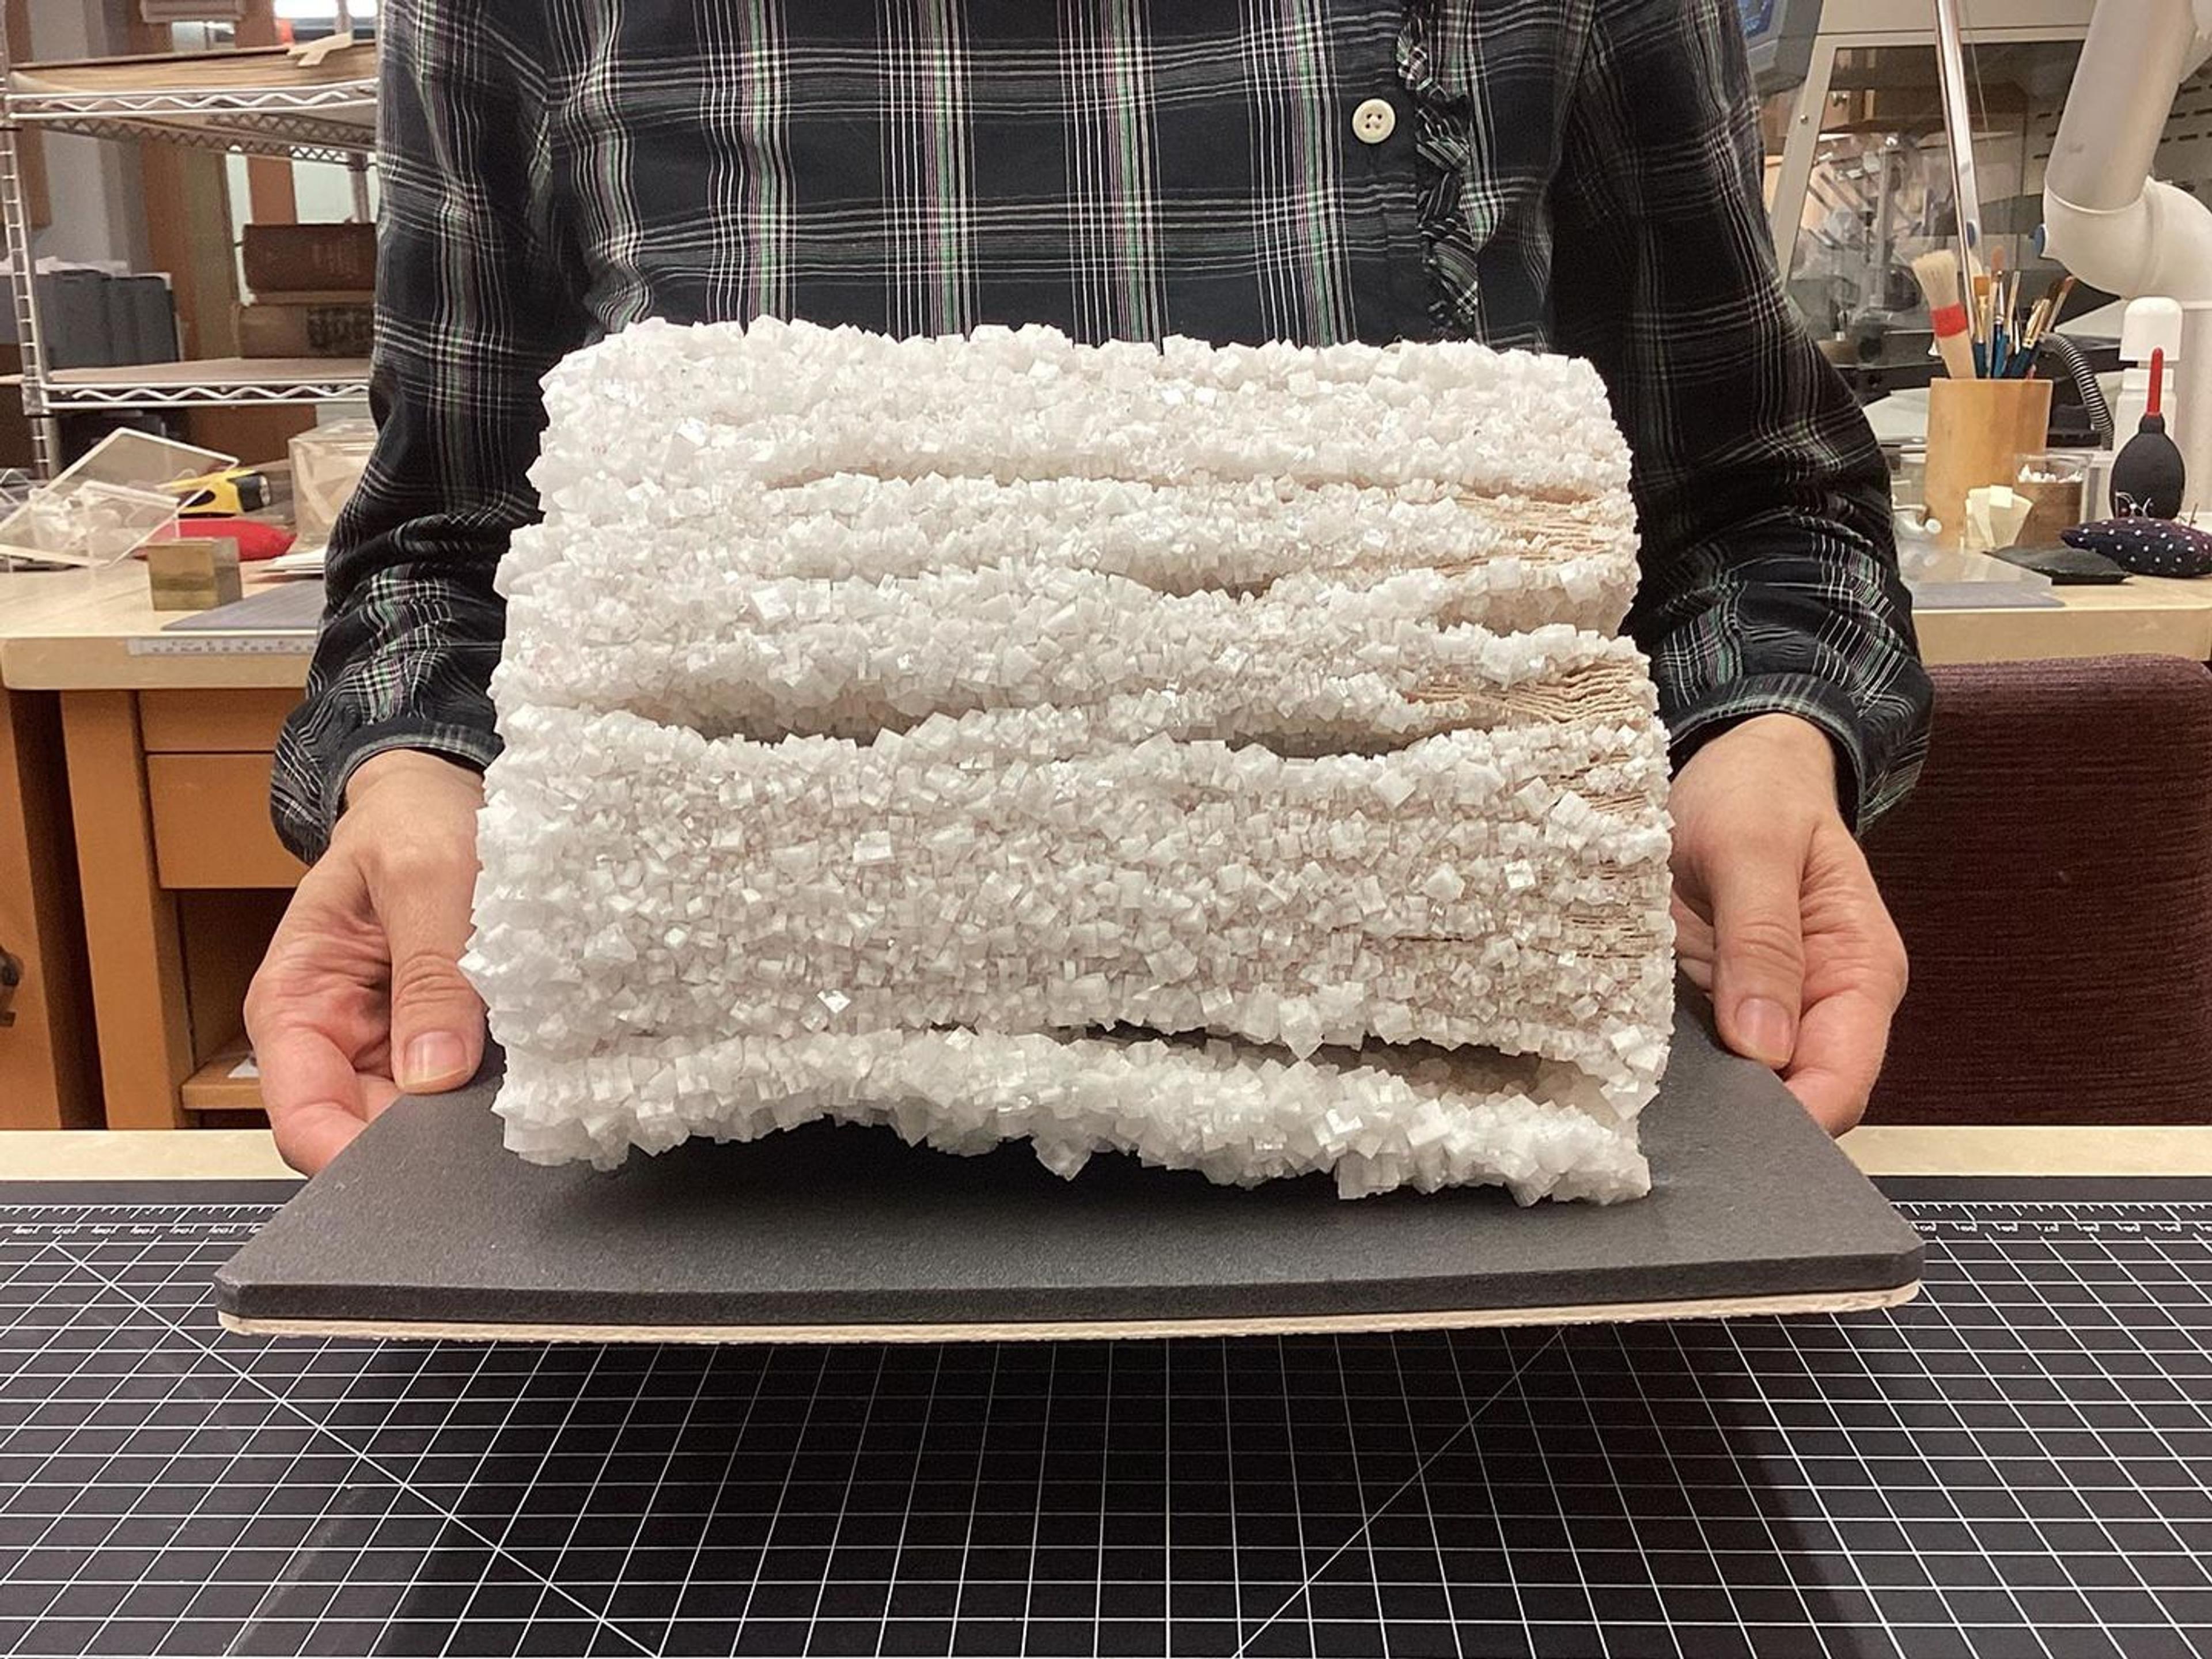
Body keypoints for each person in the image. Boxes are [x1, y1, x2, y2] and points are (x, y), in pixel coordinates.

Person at [249, 0, 1931, 1175]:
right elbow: (446, 551)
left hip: (1440, 1214)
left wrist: (1764, 742)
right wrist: (419, 777)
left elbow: (1751, 503)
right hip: (704, 1214)